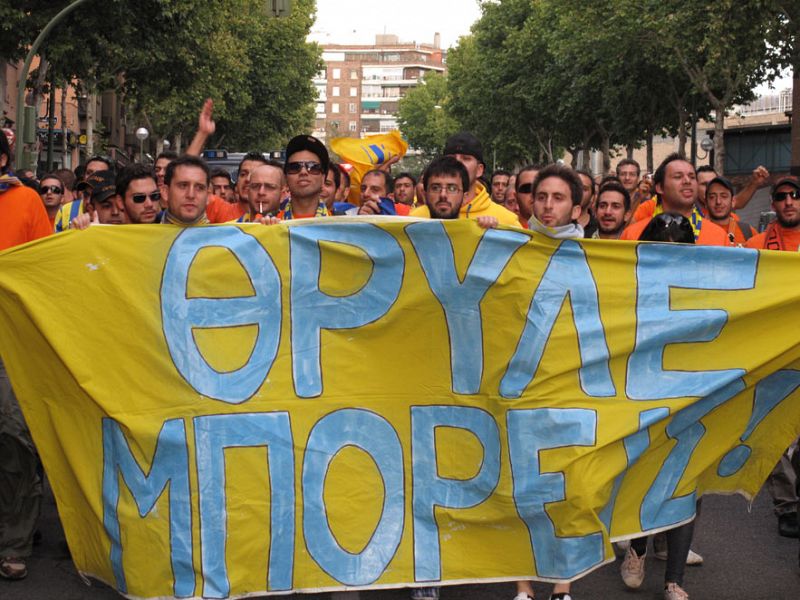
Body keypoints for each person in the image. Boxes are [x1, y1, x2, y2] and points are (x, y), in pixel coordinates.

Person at [619, 213, 700, 600]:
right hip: (642, 395)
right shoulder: (631, 285)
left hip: (691, 392)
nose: (669, 256)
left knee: (686, 480)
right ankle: (636, 551)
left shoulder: (705, 286)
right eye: (660, 248)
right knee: (642, 476)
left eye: (677, 250)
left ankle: (674, 579)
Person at [0, 130, 51, 581]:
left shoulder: (26, 201)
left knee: (12, 435)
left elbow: (43, 271)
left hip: (10, 338)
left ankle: (14, 541)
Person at [412, 133, 518, 225]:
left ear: (479, 170)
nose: (458, 163)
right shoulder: (416, 219)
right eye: (451, 158)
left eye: (466, 159)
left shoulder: (505, 220)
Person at [621, 154, 727, 246]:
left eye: (692, 177)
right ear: (660, 187)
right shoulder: (633, 235)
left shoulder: (719, 237)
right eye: (678, 177)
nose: (687, 181)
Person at [277, 135, 330, 220]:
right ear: (286, 178)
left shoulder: (343, 224)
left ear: (323, 178)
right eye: (294, 167)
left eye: (313, 167)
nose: (303, 172)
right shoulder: (270, 224)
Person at [160, 155, 211, 226]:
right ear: (166, 192)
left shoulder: (222, 232)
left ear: (208, 196)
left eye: (199, 188)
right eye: (183, 186)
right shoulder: (147, 232)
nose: (191, 195)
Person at [705, 176, 755, 246]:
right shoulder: (698, 231)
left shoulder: (747, 231)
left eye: (724, 196)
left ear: (733, 201)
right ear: (706, 202)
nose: (718, 202)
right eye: (712, 197)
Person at [575, 169, 598, 237]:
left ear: (592, 197)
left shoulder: (599, 228)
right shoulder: (556, 224)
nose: (579, 191)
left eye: (584, 189)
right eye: (575, 187)